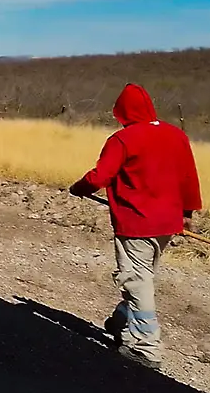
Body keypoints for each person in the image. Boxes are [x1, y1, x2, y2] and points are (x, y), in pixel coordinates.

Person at [69, 83, 202, 370]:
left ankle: (147, 346)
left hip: (136, 222)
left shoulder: (123, 139)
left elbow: (98, 177)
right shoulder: (175, 135)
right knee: (142, 276)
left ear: (122, 112)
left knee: (136, 279)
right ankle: (122, 322)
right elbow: (189, 177)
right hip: (168, 223)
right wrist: (187, 211)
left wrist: (79, 188)